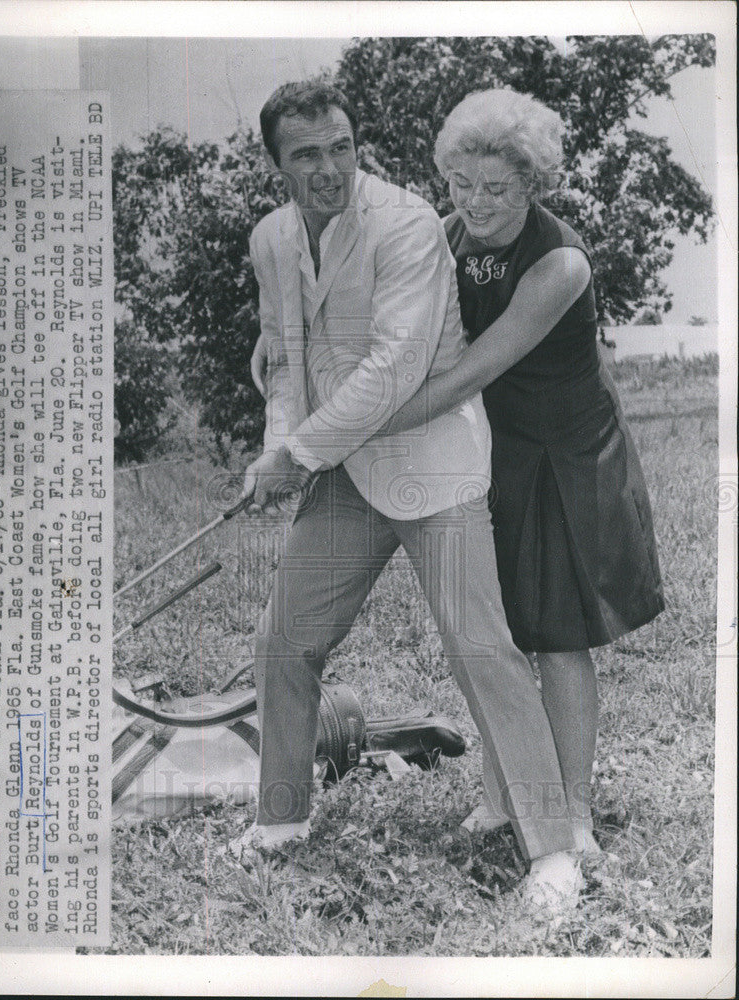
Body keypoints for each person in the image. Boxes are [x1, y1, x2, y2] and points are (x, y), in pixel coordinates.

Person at [239, 79, 585, 907]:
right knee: (283, 641)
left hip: (437, 466)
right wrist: (276, 445)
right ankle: (280, 821)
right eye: (306, 155)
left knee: (482, 652)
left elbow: (395, 367)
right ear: (277, 164)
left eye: (342, 147)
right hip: (351, 474)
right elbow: (284, 357)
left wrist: (300, 450)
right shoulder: (271, 238)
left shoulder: (407, 228)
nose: (329, 169)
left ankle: (554, 855)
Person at [349, 88, 665, 852]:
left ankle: (576, 816)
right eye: (461, 185)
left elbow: (466, 374)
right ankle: (505, 795)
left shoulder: (559, 262)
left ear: (533, 183)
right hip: (496, 454)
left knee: (557, 639)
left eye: (497, 189)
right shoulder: (451, 234)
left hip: (568, 458)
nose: (476, 203)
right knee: (495, 635)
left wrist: (358, 420)